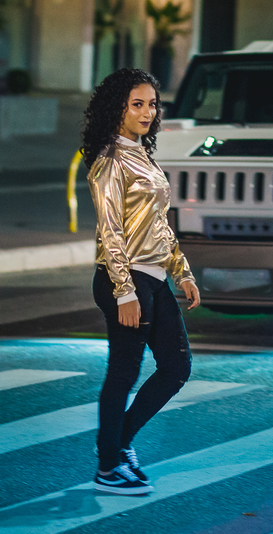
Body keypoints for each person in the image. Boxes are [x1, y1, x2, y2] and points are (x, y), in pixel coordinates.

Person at [82, 68, 201, 496]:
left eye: (152, 103)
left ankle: (119, 445)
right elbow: (110, 231)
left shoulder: (141, 154)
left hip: (152, 278)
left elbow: (157, 224)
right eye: (138, 104)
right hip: (125, 280)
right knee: (124, 373)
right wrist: (124, 291)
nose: (148, 111)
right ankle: (108, 467)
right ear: (118, 108)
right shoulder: (109, 160)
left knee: (177, 367)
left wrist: (181, 271)